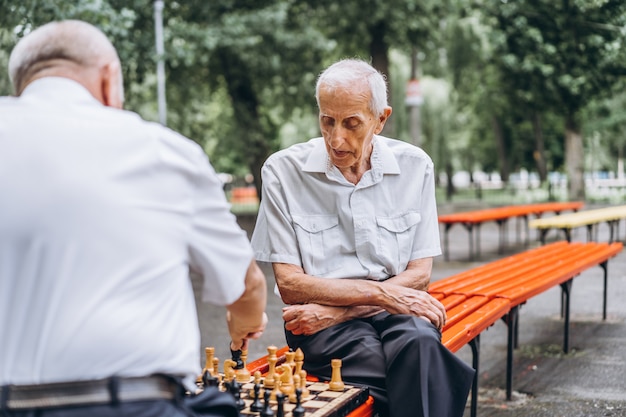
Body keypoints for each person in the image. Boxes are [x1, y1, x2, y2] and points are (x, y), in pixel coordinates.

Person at [0, 20, 267, 417]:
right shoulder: (162, 150)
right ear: (109, 79)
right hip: (131, 403)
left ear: (22, 84)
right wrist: (244, 322)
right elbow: (246, 285)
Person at [251, 59, 474, 417]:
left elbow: (420, 274)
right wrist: (379, 294)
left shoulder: (416, 166)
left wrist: (341, 311)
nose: (336, 139)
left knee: (419, 345)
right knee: (423, 369)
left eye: (351, 124)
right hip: (319, 327)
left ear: (381, 119)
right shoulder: (282, 171)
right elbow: (291, 285)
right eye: (327, 121)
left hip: (354, 312)